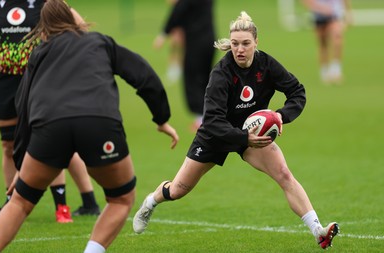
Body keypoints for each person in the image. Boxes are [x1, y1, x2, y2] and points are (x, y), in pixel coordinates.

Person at [133, 11, 339, 250]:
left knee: (284, 173)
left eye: (245, 44)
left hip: (250, 133)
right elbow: (211, 122)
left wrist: (281, 115)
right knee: (179, 189)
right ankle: (150, 202)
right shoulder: (220, 74)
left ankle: (318, 231)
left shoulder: (267, 65)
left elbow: (297, 91)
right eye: (234, 44)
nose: (239, 49)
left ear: (256, 43)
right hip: (216, 135)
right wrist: (244, 137)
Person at [0, 0, 179, 252]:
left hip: (50, 128)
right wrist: (161, 118)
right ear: (74, 20)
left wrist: (22, 166)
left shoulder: (38, 53)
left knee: (20, 201)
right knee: (120, 199)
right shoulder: (101, 42)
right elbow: (144, 75)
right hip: (99, 123)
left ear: (43, 29)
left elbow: (24, 106)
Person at [0, 0, 99, 222]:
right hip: (4, 81)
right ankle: (11, 205)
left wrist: (63, 54)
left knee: (50, 140)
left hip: (40, 78)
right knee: (8, 145)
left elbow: (79, 25)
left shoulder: (44, 1)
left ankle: (63, 207)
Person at [153, 0, 215, 131]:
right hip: (210, 40)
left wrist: (164, 34)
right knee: (205, 79)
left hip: (196, 43)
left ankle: (201, 119)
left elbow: (178, 11)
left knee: (193, 79)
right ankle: (208, 116)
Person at [302, 0, 352, 84]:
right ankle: (324, 72)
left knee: (337, 38)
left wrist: (349, 13)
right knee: (323, 44)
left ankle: (336, 71)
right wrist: (320, 8)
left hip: (334, 14)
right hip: (319, 15)